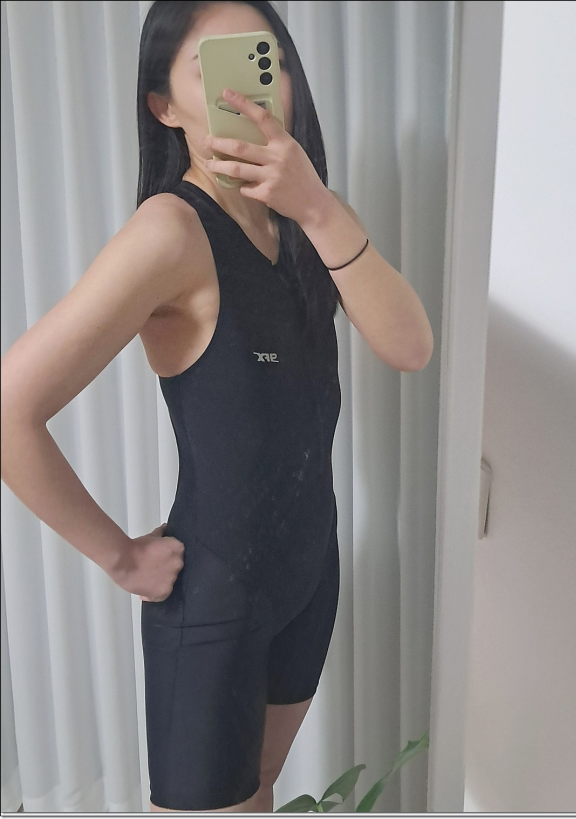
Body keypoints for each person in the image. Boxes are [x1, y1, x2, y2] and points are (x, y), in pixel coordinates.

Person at [0, 0, 434, 812]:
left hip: (309, 575)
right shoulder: (169, 233)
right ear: (163, 106)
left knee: (258, 792)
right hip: (216, 604)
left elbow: (409, 346)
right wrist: (118, 556)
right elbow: (8, 409)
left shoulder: (309, 218)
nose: (251, 87)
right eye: (215, 67)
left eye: (266, 60)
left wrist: (315, 206)